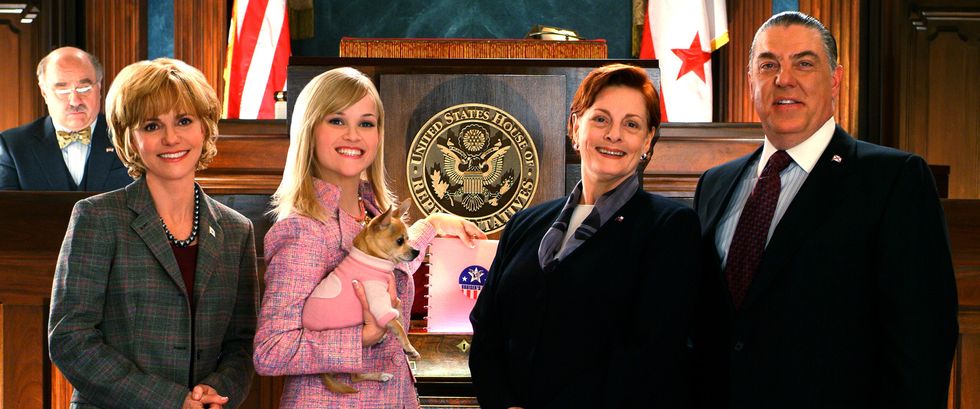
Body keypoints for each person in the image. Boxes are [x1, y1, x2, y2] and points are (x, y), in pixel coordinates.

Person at [692, 11, 958, 409]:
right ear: (751, 82)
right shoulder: (715, 184)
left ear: (835, 79)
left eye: (803, 63)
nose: (784, 79)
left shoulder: (894, 180)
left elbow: (923, 343)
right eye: (768, 65)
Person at [469, 63, 702, 409]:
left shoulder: (670, 227)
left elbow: (652, 356)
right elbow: (486, 332)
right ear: (575, 126)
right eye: (601, 119)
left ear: (647, 140)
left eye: (631, 124)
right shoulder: (524, 223)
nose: (614, 135)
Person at [253, 67, 486, 409]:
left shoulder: (371, 211)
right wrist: (362, 338)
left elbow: (385, 270)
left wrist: (432, 225)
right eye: (336, 120)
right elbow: (271, 351)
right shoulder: (302, 230)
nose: (353, 135)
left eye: (366, 123)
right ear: (309, 130)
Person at [47, 58, 259, 409]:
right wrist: (171, 401)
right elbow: (70, 338)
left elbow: (242, 344)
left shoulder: (237, 230)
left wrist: (215, 391)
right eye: (151, 125)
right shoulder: (98, 217)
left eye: (184, 121)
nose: (171, 138)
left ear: (204, 128)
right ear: (129, 138)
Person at [0, 46, 132, 191]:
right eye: (62, 90)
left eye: (84, 88)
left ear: (99, 86)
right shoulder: (13, 145)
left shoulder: (129, 137)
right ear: (44, 92)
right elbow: (7, 205)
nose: (75, 101)